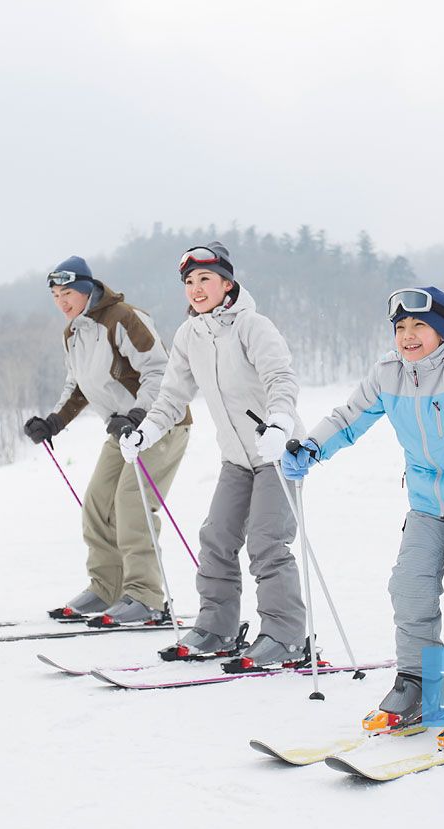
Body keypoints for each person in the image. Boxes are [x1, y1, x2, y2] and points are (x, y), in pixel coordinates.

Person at [281, 286, 444, 744]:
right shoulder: (388, 373)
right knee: (409, 588)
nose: (408, 335)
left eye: (419, 325)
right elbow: (349, 417)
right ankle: (419, 686)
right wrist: (314, 446)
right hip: (426, 504)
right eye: (400, 327)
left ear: (443, 331)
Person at [120, 241, 308, 670]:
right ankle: (216, 627)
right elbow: (171, 396)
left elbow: (281, 378)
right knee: (217, 539)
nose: (196, 288)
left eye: (205, 279)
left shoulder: (253, 327)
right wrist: (145, 431)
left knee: (266, 543)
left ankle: (285, 635)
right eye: (189, 281)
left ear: (227, 282)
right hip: (236, 458)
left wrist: (279, 422)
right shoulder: (190, 335)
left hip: (277, 452)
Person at [23, 256, 192, 625]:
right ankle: (107, 588)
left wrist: (137, 415)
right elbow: (78, 386)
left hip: (160, 424)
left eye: (67, 293)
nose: (61, 302)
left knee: (131, 503)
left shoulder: (123, 318)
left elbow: (159, 370)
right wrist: (53, 422)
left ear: (86, 289)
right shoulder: (73, 333)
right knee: (97, 504)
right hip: (122, 433)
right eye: (55, 295)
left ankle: (146, 597)